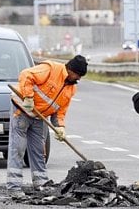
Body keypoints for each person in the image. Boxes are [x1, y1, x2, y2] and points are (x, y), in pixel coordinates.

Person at [7, 55, 88, 198]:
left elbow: (60, 110)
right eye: (78, 75)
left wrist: (60, 127)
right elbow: (26, 75)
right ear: (70, 70)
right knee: (18, 148)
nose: (79, 79)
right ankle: (14, 187)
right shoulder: (50, 69)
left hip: (39, 116)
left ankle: (41, 184)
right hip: (22, 110)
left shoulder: (71, 88)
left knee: (39, 150)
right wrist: (28, 97)